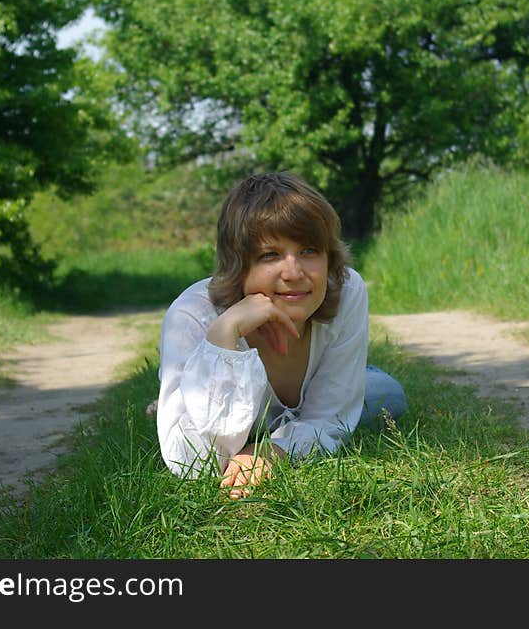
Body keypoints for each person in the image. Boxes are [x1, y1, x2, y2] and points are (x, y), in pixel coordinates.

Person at [152, 171, 407, 498]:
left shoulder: (346, 290)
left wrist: (270, 452)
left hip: (305, 403)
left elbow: (329, 418)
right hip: (218, 356)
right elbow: (193, 461)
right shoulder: (192, 316)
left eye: (309, 251)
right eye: (270, 255)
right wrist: (224, 337)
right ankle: (180, 397)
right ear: (238, 265)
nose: (294, 272)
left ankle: (192, 403)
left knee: (388, 393)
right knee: (201, 423)